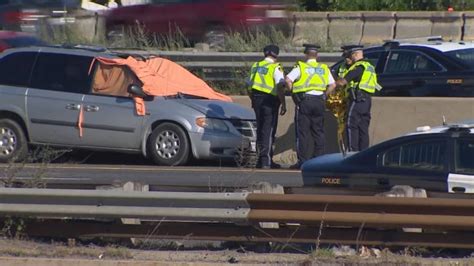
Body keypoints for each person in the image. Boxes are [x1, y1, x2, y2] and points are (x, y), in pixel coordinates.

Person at [285, 44, 336, 169]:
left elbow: (287, 80)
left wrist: (292, 92)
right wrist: (325, 94)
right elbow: (333, 85)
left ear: (306, 54)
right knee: (318, 132)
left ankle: (303, 162)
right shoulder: (323, 68)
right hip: (319, 101)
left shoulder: (301, 66)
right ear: (317, 55)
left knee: (303, 133)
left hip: (305, 101)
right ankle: (318, 160)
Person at [336, 45, 382, 152]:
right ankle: (364, 154)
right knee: (363, 128)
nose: (347, 59)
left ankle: (353, 153)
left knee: (351, 125)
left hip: (357, 100)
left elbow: (343, 82)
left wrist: (332, 85)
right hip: (366, 101)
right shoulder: (369, 66)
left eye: (348, 56)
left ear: (355, 55)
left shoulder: (358, 67)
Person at [248, 44, 286, 169]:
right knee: (268, 131)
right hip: (270, 100)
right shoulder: (275, 67)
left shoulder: (256, 66)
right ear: (276, 55)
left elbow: (248, 85)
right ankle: (266, 160)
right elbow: (280, 86)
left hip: (256, 99)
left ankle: (260, 159)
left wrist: (253, 99)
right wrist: (283, 102)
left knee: (260, 129)